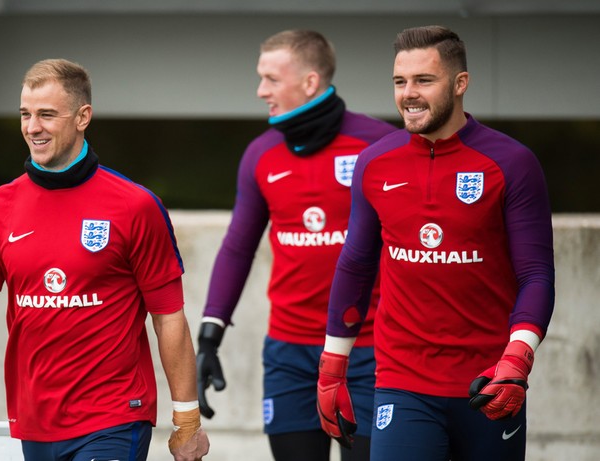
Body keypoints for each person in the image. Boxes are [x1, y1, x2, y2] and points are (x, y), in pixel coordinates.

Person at [0, 58, 210, 461]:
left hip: (113, 418)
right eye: (25, 115)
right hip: (36, 424)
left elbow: (169, 318)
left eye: (47, 115)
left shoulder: (136, 206)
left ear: (83, 117)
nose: (32, 127)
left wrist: (187, 420)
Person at [316, 25, 555, 461]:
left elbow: (536, 274)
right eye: (399, 81)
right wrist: (332, 368)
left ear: (460, 84)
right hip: (402, 382)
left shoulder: (512, 164)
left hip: (489, 382)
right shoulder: (375, 163)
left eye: (424, 80)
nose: (409, 93)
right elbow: (355, 267)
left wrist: (518, 359)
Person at [196, 30, 396, 461]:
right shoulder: (261, 154)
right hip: (289, 353)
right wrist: (209, 337)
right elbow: (237, 248)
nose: (260, 90)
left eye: (270, 78)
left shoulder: (379, 145)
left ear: (309, 82)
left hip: (370, 349)